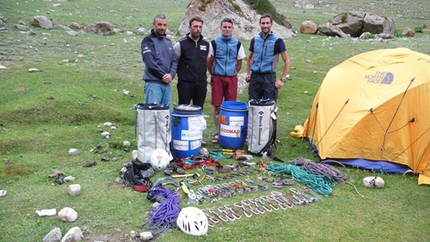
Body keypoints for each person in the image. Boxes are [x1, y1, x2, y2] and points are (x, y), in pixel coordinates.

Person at [207, 17, 246, 143]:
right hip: (217, 77)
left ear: (232, 28)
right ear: (220, 28)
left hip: (231, 78)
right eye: (225, 27)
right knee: (217, 106)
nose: (227, 29)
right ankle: (218, 132)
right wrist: (213, 74)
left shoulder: (238, 44)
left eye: (229, 27)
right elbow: (209, 61)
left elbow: (239, 63)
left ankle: (228, 131)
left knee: (230, 106)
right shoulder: (214, 43)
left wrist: (233, 72)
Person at [246, 13, 291, 101]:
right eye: (263, 23)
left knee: (269, 108)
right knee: (253, 107)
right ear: (260, 24)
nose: (265, 26)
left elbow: (287, 61)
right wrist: (248, 74)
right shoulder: (255, 40)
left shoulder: (278, 41)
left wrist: (282, 80)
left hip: (269, 78)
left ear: (271, 24)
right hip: (255, 77)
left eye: (267, 23)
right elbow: (250, 58)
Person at [141, 14, 178, 106]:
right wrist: (164, 76)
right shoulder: (147, 41)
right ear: (153, 24)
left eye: (164, 25)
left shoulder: (168, 42)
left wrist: (171, 75)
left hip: (166, 85)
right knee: (153, 114)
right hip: (153, 83)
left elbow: (174, 61)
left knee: (166, 115)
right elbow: (150, 63)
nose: (162, 27)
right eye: (159, 24)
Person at [173, 16, 210, 109]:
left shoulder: (206, 44)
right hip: (185, 84)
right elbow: (175, 62)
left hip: (201, 84)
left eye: (200, 27)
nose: (198, 29)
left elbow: (207, 63)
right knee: (183, 109)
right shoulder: (180, 44)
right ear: (189, 27)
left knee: (199, 109)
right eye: (195, 26)